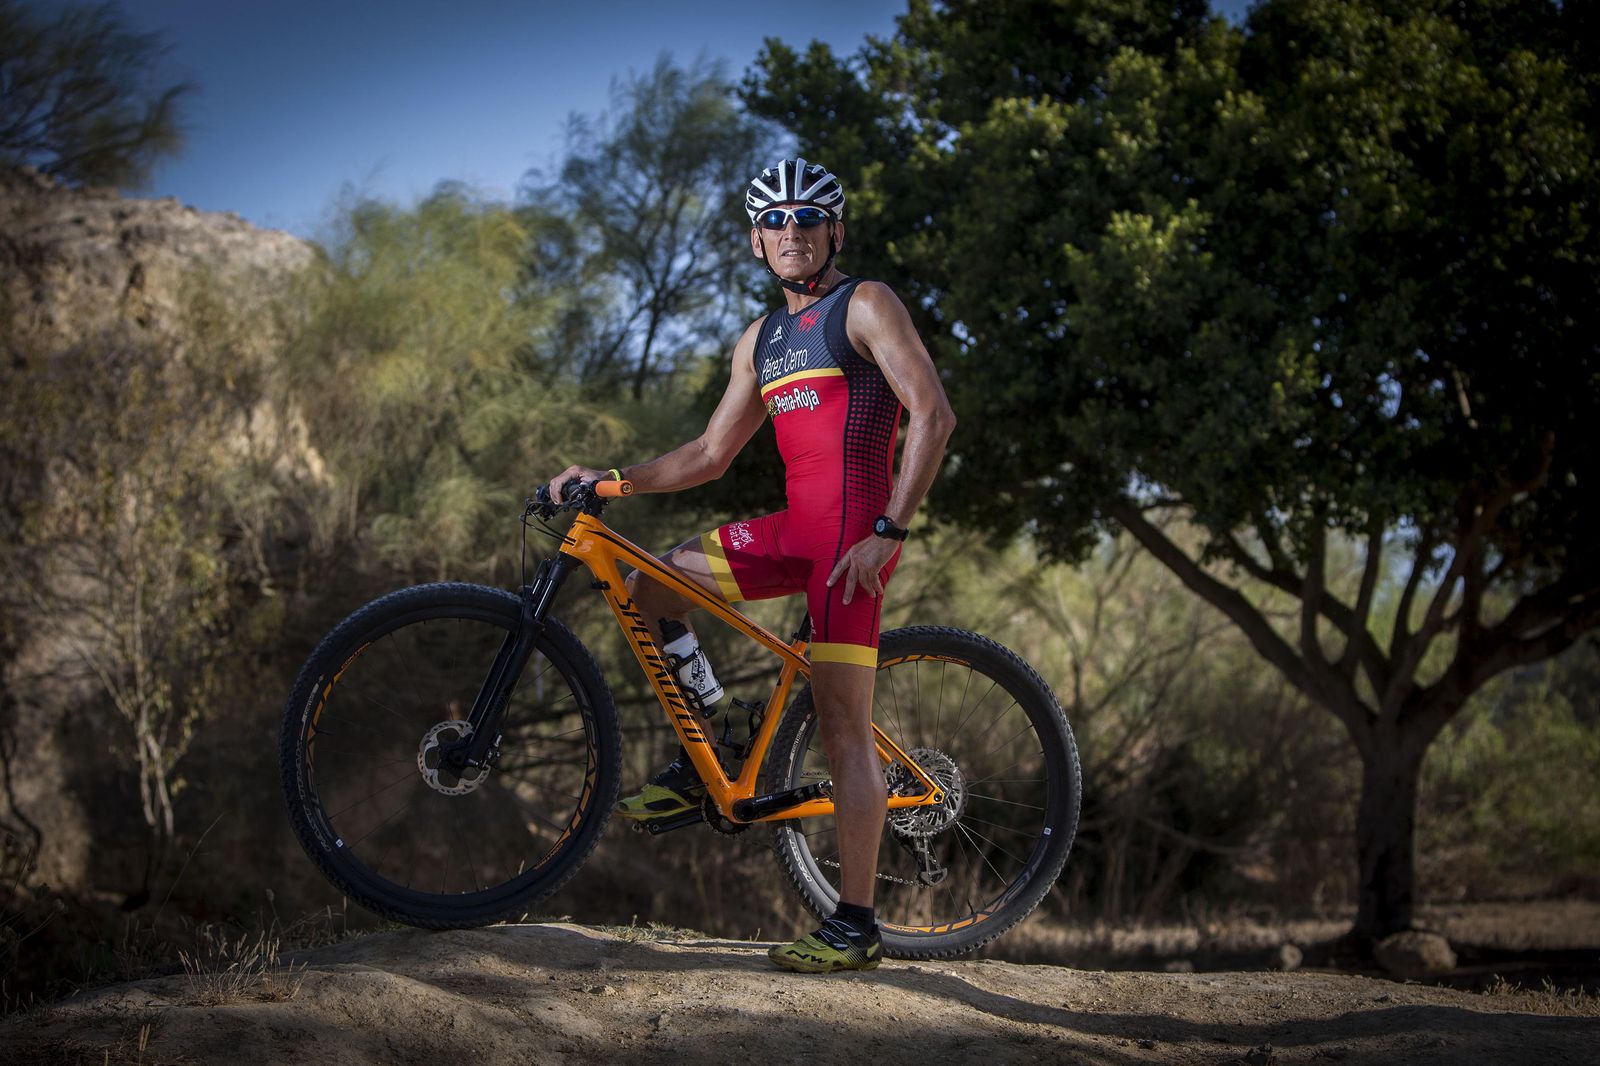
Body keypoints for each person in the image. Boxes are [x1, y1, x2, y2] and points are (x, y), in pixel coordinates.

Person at [543, 158, 956, 973]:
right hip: (792, 533)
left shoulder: (865, 304)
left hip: (850, 548)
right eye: (775, 221)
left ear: (834, 231)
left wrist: (890, 531)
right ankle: (722, 736)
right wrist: (611, 480)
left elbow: (933, 414)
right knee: (651, 588)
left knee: (841, 729)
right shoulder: (761, 340)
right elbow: (708, 453)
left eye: (808, 218)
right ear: (756, 240)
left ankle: (856, 925)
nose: (791, 232)